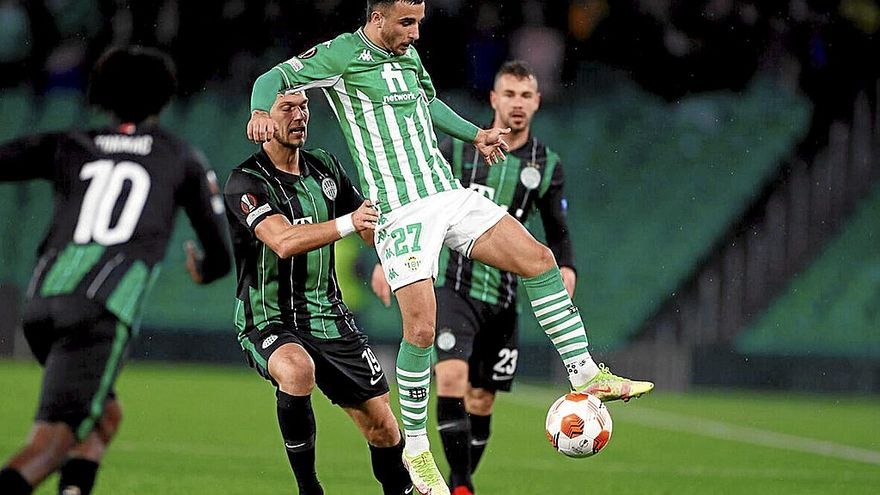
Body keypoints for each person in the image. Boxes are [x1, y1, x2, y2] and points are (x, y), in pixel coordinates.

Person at [246, 2, 653, 492]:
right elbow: (271, 79)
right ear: (377, 19)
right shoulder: (341, 55)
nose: (416, 33)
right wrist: (258, 112)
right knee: (421, 330)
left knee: (539, 259)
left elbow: (426, 104)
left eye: (419, 23)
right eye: (406, 23)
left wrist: (476, 132)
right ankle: (416, 451)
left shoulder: (410, 56)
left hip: (448, 194)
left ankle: (584, 372)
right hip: (400, 209)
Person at [0, 46, 232, 495]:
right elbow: (219, 254)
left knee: (105, 417)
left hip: (42, 305)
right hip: (99, 312)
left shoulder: (71, 144)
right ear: (165, 97)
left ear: (102, 94)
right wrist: (205, 269)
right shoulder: (180, 156)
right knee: (50, 444)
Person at [369, 60, 577, 494]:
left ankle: (461, 476)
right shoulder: (458, 149)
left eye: (525, 96)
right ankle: (460, 486)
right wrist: (386, 262)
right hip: (453, 288)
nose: (516, 104)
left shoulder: (546, 163)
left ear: (537, 102)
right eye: (509, 94)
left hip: (503, 297)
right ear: (493, 99)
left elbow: (558, 232)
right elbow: (414, 203)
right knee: (449, 378)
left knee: (482, 399)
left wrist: (566, 270)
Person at [225, 90, 413, 495]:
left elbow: (366, 224)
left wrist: (385, 255)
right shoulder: (245, 181)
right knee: (296, 371)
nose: (299, 116)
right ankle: (309, 489)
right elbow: (283, 241)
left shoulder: (324, 167)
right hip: (267, 317)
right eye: (287, 108)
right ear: (264, 120)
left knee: (383, 428)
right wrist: (349, 222)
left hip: (328, 314)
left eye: (304, 106)